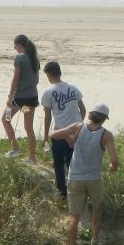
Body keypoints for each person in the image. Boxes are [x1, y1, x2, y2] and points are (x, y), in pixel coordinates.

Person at [49, 103, 119, 245]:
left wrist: (65, 134)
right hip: (93, 179)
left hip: (74, 179)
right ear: (104, 119)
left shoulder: (78, 127)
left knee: (74, 217)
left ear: (90, 115)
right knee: (98, 207)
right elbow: (114, 160)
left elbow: (53, 135)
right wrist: (112, 167)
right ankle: (94, 241)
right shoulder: (106, 135)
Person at [40, 60, 86, 199]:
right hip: (76, 133)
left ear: (48, 75)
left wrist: (45, 136)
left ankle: (62, 192)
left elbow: (47, 116)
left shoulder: (48, 92)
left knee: (58, 164)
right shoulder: (74, 88)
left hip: (60, 133)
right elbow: (83, 109)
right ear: (60, 72)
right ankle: (77, 191)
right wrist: (78, 126)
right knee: (73, 163)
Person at [2, 34, 41, 163]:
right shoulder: (34, 58)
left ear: (19, 45)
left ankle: (15, 149)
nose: (15, 48)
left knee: (5, 119)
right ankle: (32, 157)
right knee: (28, 127)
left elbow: (15, 78)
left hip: (19, 99)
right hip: (31, 98)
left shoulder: (20, 58)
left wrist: (10, 96)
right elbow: (36, 80)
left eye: (15, 46)